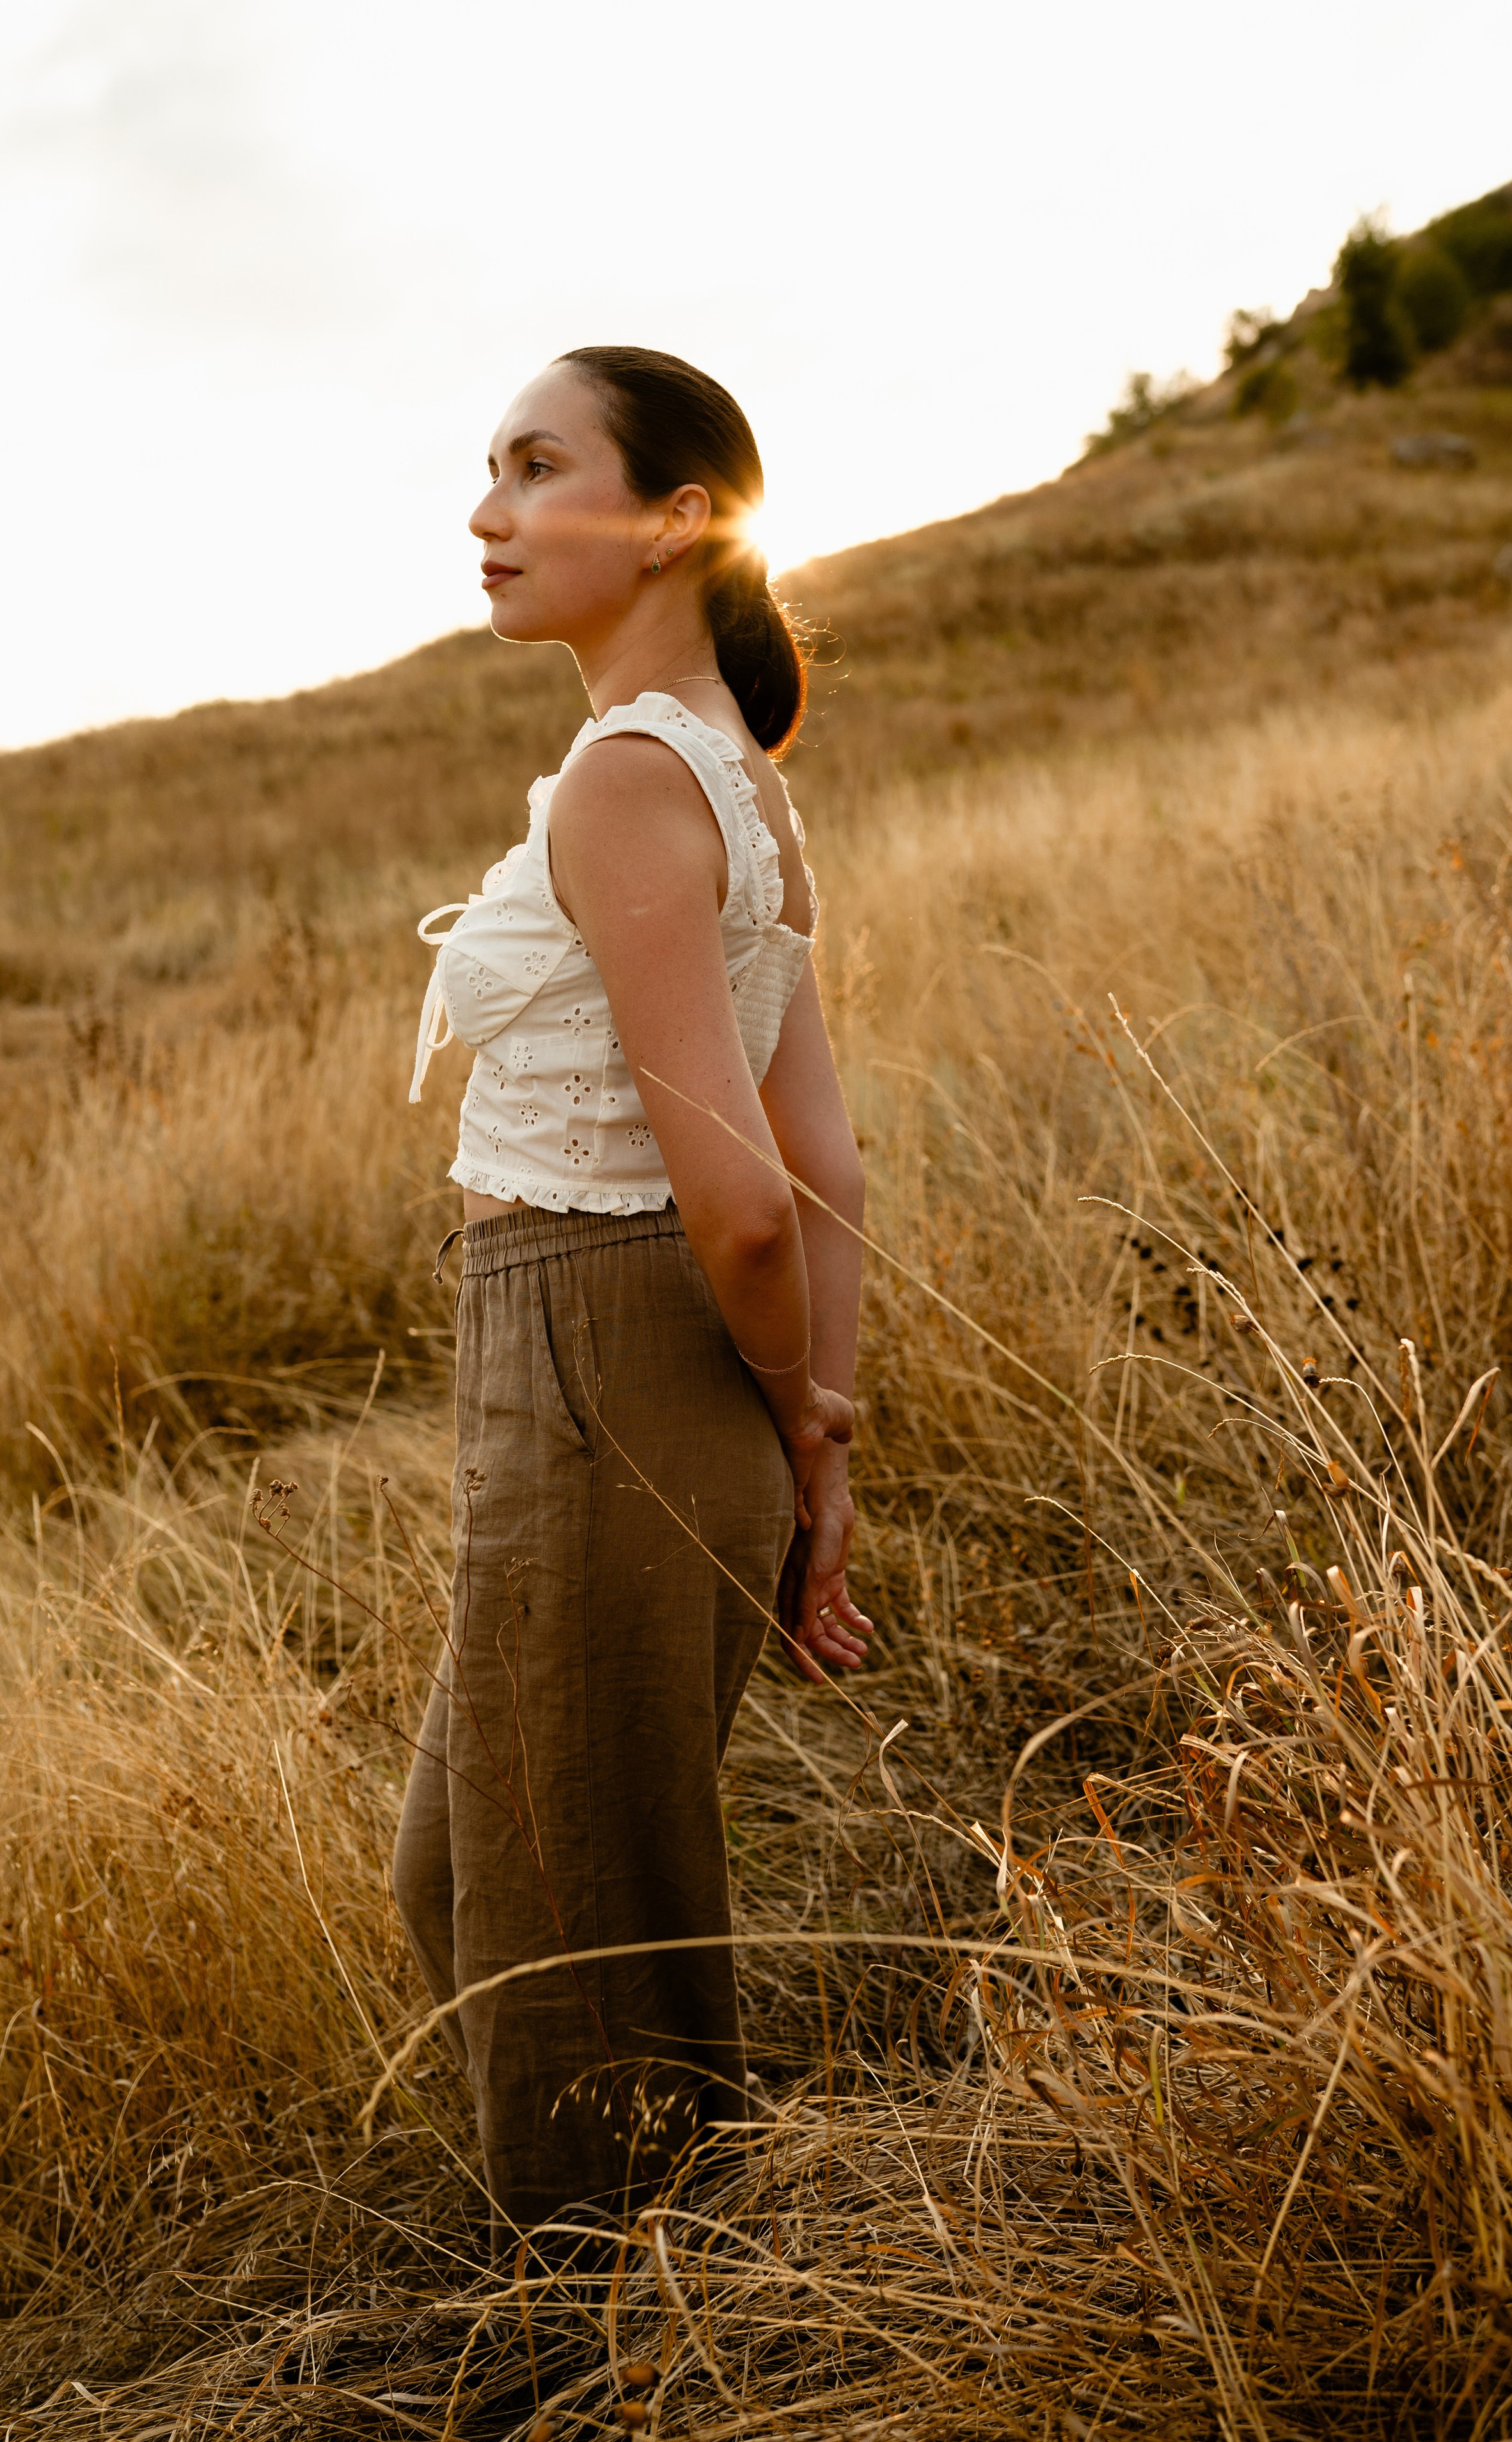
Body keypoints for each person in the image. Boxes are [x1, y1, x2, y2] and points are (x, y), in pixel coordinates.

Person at [392, 345, 871, 2249]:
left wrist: (799, 1401)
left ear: (681, 517)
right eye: (488, 473)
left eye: (536, 468)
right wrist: (810, 1437)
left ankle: (636, 2334)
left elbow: (755, 1202)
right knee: (484, 1875)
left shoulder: (624, 781)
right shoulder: (739, 784)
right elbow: (828, 1162)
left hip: (598, 1335)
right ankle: (680, 2282)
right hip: (669, 1372)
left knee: (569, 1923)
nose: (490, 513)